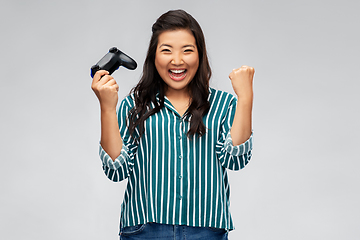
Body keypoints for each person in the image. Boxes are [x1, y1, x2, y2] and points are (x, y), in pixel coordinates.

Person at [91, 9, 254, 240]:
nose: (177, 61)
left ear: (200, 54)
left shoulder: (223, 104)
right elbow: (116, 171)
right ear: (153, 56)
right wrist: (107, 107)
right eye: (166, 50)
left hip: (206, 231)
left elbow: (235, 160)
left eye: (187, 50)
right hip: (145, 230)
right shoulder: (133, 105)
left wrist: (246, 98)